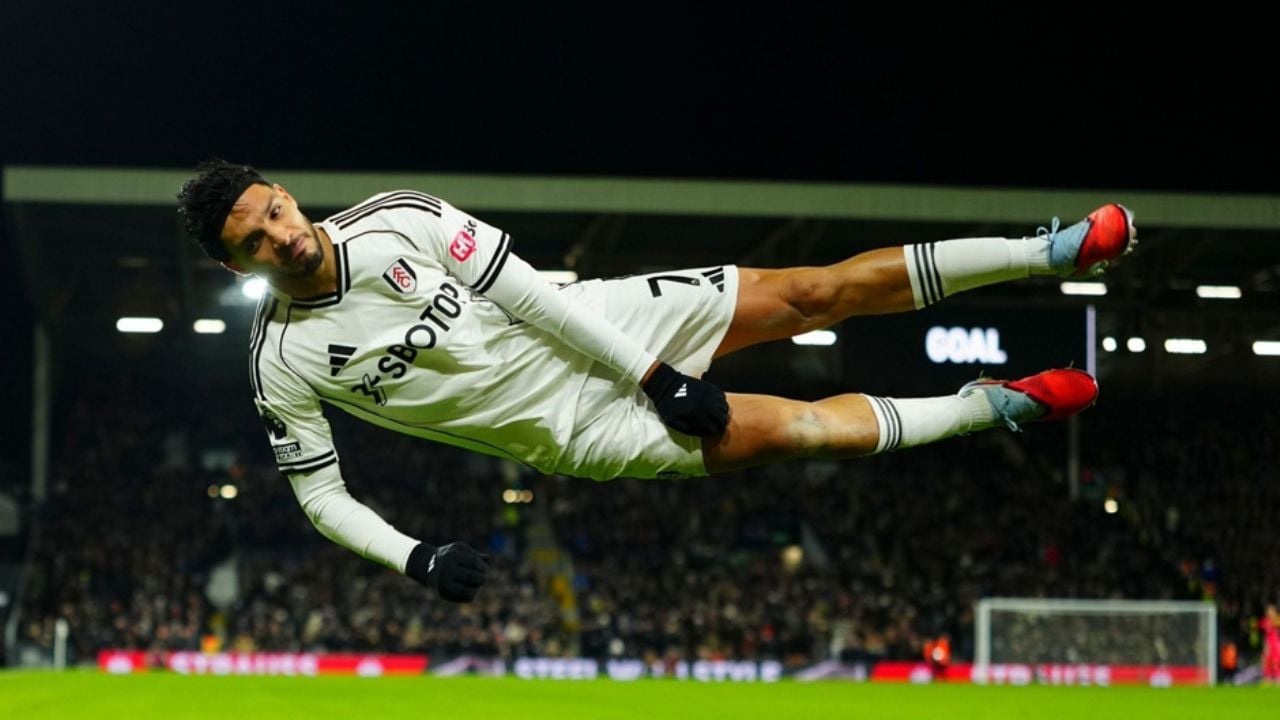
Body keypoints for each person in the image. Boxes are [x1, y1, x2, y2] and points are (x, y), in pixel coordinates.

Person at [176, 159, 1137, 604]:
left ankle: (1046, 249)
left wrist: (658, 370)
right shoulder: (283, 359)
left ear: (285, 194)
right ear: (238, 269)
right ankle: (992, 406)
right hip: (575, 432)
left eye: (273, 210)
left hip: (606, 325)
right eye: (252, 242)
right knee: (805, 433)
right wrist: (413, 556)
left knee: (815, 290)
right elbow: (320, 498)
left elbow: (529, 294)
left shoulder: (400, 220)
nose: (278, 234)